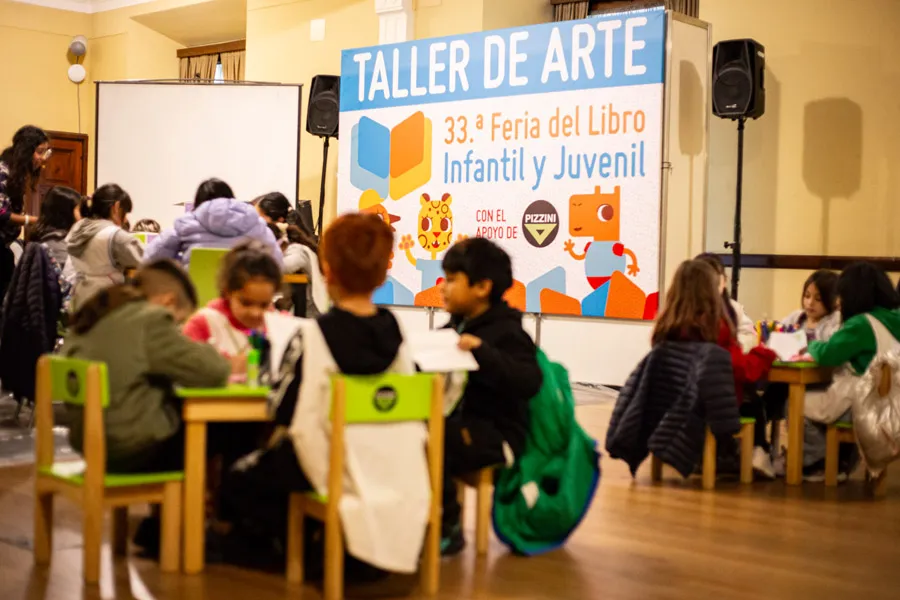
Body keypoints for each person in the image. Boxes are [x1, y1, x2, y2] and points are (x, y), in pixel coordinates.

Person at [218, 213, 428, 588]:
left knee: (237, 481)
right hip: (392, 465)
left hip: (331, 464)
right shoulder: (396, 333)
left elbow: (283, 409)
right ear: (382, 276)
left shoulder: (316, 334)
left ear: (327, 272)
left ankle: (292, 548)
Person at [62, 259, 231, 473]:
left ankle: (173, 506)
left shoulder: (99, 311)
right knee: (232, 428)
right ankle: (212, 505)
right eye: (178, 323)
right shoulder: (150, 318)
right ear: (169, 302)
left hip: (90, 444)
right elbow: (214, 372)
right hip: (131, 447)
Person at [438, 237, 543, 556]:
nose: (443, 287)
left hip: (498, 434)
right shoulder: (453, 328)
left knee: (437, 438)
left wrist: (484, 352)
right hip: (463, 425)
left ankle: (448, 524)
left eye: (453, 280)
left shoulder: (508, 332)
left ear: (482, 287)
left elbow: (529, 380)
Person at [607, 260, 741, 479]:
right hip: (705, 405)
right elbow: (731, 370)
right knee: (756, 405)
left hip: (668, 404)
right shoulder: (717, 327)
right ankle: (739, 456)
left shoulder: (667, 328)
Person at [802, 261, 900, 481]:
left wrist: (811, 344)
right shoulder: (896, 318)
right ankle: (843, 461)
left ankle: (816, 463)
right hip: (892, 405)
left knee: (795, 402)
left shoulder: (860, 324)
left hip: (863, 403)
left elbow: (828, 354)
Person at [751, 270, 841, 478]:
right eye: (807, 296)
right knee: (772, 392)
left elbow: (827, 352)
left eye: (818, 299)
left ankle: (797, 457)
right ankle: (761, 446)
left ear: (833, 301)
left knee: (786, 400)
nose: (810, 303)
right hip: (788, 374)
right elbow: (778, 334)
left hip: (819, 381)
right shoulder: (796, 317)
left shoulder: (834, 323)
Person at [145, 178, 282, 267]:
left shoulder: (185, 224)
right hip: (243, 302)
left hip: (194, 302)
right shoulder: (256, 224)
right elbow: (278, 265)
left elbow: (150, 260)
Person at [183, 241, 281, 362]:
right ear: (227, 292)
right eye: (245, 303)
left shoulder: (278, 326)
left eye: (264, 305)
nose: (255, 313)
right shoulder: (204, 325)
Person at [64, 184, 143, 313]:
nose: (125, 219)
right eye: (125, 212)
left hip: (78, 301)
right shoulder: (115, 236)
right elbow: (145, 261)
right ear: (116, 207)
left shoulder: (78, 227)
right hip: (106, 306)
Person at [0, 125, 50, 299]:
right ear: (25, 151)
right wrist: (33, 220)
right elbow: (1, 213)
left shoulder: (15, 174)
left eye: (46, 153)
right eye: (39, 152)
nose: (43, 158)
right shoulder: (2, 171)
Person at [695, 253, 757, 352]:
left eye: (715, 281)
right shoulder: (686, 307)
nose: (710, 287)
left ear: (724, 281)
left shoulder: (734, 308)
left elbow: (750, 336)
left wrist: (735, 345)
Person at [267, 220, 327, 318]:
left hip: (312, 312)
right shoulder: (288, 251)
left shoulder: (298, 251)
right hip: (299, 310)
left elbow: (282, 268)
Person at [27, 184, 81, 267]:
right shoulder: (56, 244)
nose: (82, 215)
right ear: (66, 213)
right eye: (79, 210)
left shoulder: (49, 239)